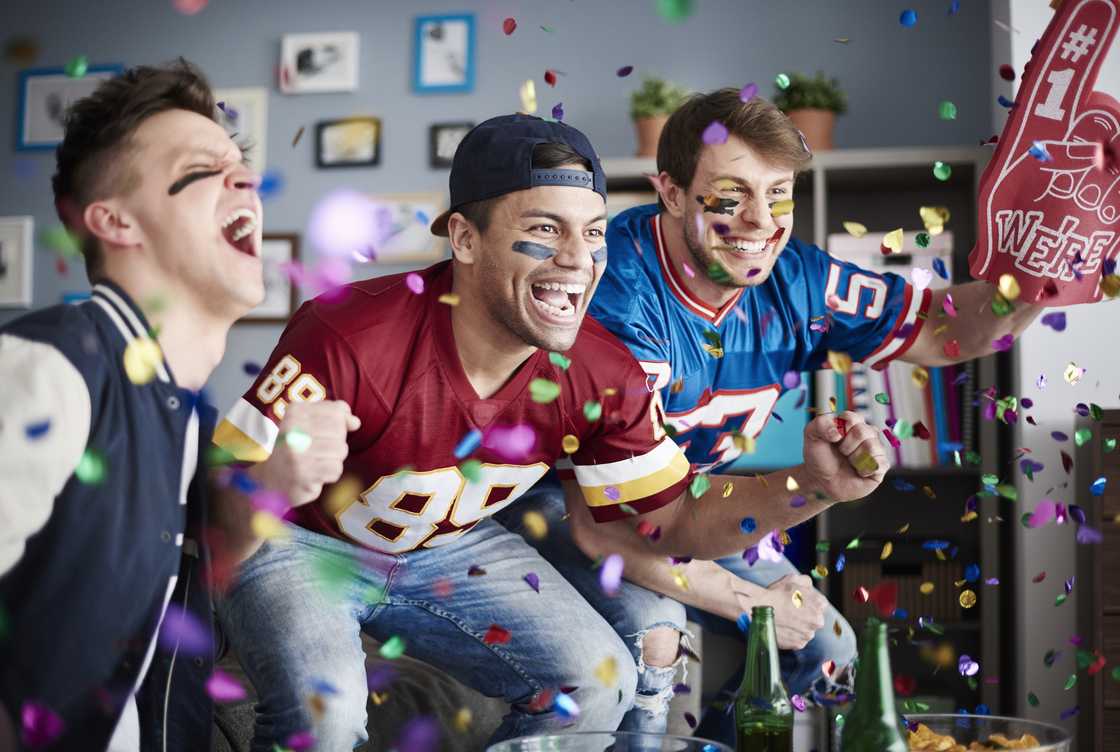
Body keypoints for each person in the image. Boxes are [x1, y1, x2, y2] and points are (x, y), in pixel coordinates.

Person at [208, 113, 889, 750]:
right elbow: (218, 490)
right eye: (545, 229)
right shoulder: (348, 334)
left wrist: (808, 484)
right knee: (327, 718)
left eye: (593, 232)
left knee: (597, 683)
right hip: (303, 543)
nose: (578, 259)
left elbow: (672, 516)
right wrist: (268, 480)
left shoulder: (599, 369)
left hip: (446, 543)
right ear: (465, 239)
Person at [504, 88, 1050, 744]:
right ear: (670, 193)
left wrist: (1043, 274)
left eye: (779, 193)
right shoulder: (612, 297)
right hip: (567, 503)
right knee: (655, 640)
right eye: (731, 195)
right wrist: (754, 603)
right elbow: (612, 529)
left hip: (692, 501)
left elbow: (944, 330)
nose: (761, 221)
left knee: (828, 648)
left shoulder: (799, 280)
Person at [0, 59, 264, 751]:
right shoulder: (53, 369)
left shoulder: (187, 415)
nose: (245, 180)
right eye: (204, 169)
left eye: (243, 165)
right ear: (114, 220)